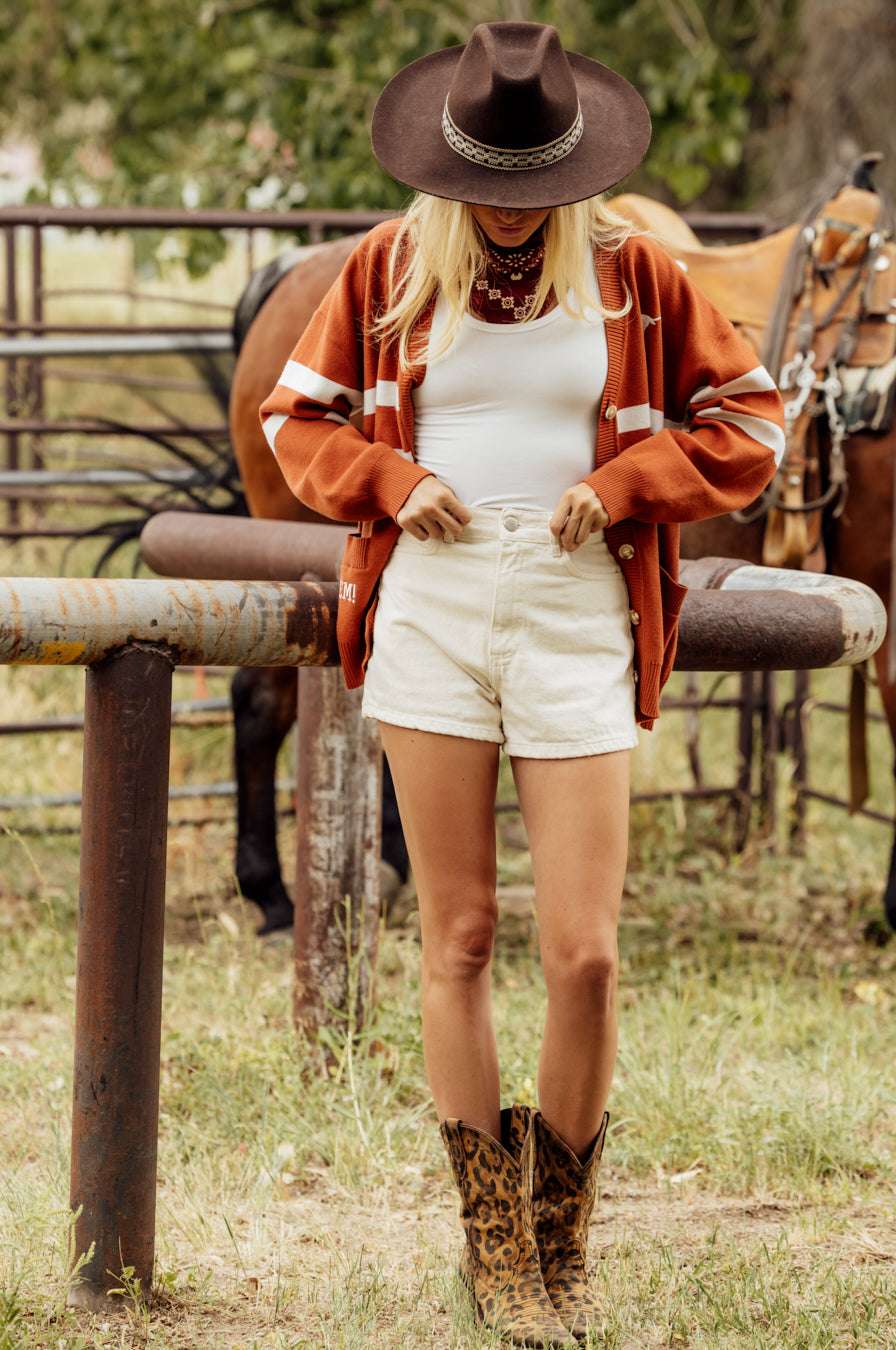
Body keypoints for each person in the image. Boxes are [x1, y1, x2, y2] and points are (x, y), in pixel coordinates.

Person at [259, 20, 784, 1345]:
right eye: (485, 192)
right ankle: (496, 1247)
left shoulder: (633, 275)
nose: (505, 217)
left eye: (528, 193)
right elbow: (294, 414)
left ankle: (564, 1228)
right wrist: (392, 480)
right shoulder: (390, 266)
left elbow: (755, 417)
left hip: (574, 604)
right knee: (460, 936)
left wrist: (620, 488)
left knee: (586, 951)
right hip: (433, 601)